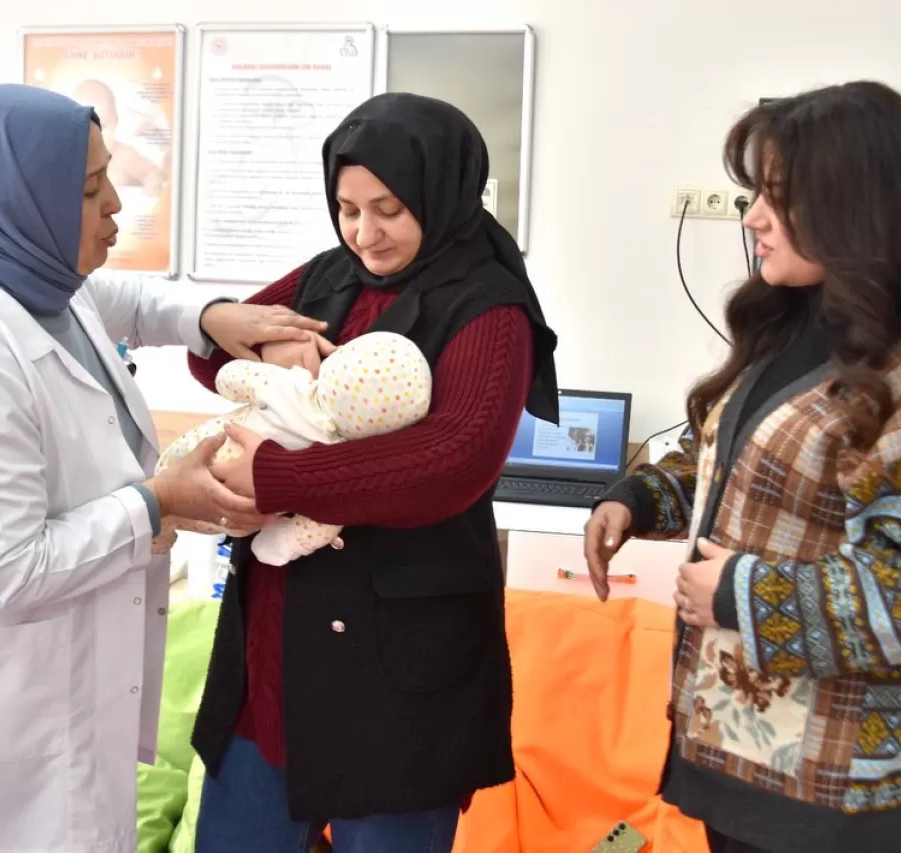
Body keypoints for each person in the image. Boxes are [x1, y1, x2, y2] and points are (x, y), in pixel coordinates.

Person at [0, 84, 324, 852]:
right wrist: (156, 502)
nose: (115, 206)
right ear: (19, 203)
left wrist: (209, 319)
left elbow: (123, 299)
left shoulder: (43, 290)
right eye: (88, 188)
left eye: (111, 179)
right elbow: (10, 569)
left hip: (60, 699)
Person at [583, 81, 901, 853]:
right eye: (753, 193)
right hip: (741, 749)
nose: (752, 217)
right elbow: (741, 468)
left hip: (836, 781)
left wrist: (739, 592)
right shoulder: (790, 320)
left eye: (778, 197)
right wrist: (639, 499)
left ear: (857, 207)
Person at [187, 92, 559, 852]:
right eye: (347, 208)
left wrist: (279, 480)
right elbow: (208, 349)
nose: (365, 232)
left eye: (387, 208)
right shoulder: (331, 274)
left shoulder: (489, 307)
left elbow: (452, 461)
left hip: (400, 663)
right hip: (278, 644)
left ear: (440, 192)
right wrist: (266, 349)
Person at [152, 330, 433, 563]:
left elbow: (228, 376)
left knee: (162, 498)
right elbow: (322, 523)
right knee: (186, 515)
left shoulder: (289, 385)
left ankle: (159, 525)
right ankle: (163, 525)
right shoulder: (339, 460)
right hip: (236, 513)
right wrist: (283, 544)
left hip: (189, 455)